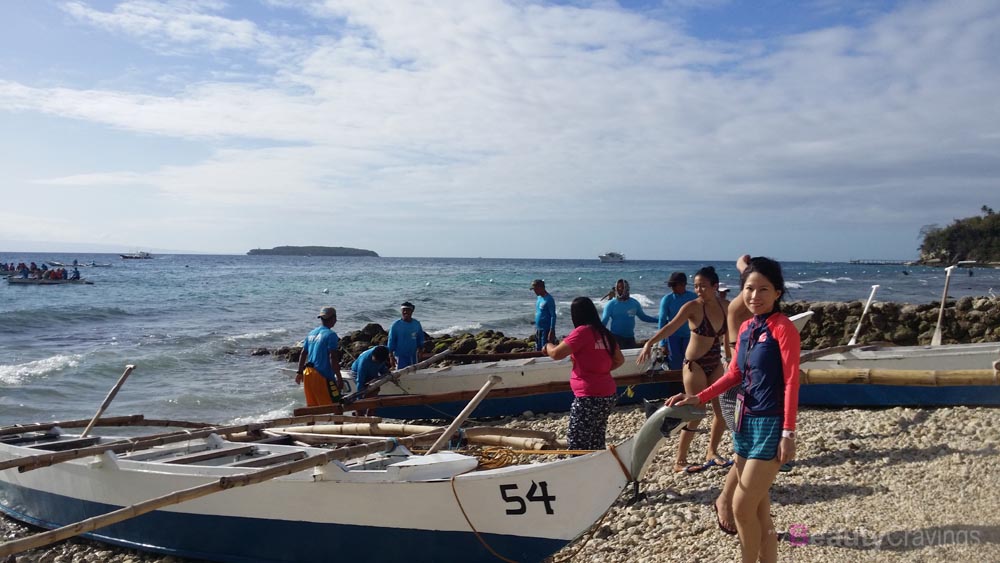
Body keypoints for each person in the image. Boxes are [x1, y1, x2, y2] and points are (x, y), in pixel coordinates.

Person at [666, 257, 800, 563]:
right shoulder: (747, 328)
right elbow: (734, 375)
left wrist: (788, 432)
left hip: (770, 424)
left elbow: (792, 380)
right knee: (759, 513)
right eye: (749, 289)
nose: (755, 296)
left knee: (740, 506)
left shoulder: (783, 328)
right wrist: (697, 398)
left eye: (763, 289)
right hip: (743, 423)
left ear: (777, 292)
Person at [637, 266, 730, 473]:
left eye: (703, 286)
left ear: (715, 286)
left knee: (720, 411)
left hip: (716, 363)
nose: (698, 290)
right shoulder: (692, 307)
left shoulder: (726, 306)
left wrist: (731, 357)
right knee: (696, 411)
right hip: (694, 364)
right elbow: (670, 326)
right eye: (696, 286)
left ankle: (712, 452)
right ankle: (680, 460)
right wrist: (650, 342)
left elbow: (729, 334)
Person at [543, 297, 624, 449]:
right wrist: (601, 370)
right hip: (607, 394)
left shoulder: (581, 332)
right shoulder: (604, 333)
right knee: (596, 438)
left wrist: (547, 345)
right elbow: (619, 360)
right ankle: (596, 467)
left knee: (577, 442)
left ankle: (579, 469)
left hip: (588, 396)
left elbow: (555, 354)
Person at [295, 307, 345, 407]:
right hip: (322, 376)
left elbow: (303, 353)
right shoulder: (331, 335)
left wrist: (300, 372)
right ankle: (338, 423)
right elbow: (333, 357)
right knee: (336, 405)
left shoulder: (311, 333)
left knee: (312, 408)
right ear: (334, 318)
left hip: (308, 374)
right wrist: (339, 378)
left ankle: (310, 423)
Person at [600, 279, 658, 349]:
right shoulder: (611, 304)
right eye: (618, 287)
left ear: (627, 288)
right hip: (616, 338)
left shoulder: (634, 303)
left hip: (630, 338)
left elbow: (643, 317)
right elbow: (604, 322)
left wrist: (659, 320)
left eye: (622, 287)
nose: (620, 289)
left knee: (631, 359)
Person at [658, 272, 697, 370]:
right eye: (671, 285)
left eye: (674, 285)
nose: (672, 288)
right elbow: (662, 321)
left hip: (690, 336)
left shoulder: (693, 298)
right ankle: (674, 384)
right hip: (673, 337)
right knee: (675, 365)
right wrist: (662, 343)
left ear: (683, 284)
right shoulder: (667, 299)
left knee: (689, 364)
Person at [351, 345, 391, 416]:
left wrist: (386, 372)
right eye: (376, 361)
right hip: (358, 373)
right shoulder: (364, 363)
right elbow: (360, 382)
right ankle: (359, 412)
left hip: (373, 373)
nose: (377, 362)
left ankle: (370, 413)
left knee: (375, 390)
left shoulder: (383, 352)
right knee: (365, 392)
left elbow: (382, 367)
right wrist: (360, 399)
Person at [387, 301, 424, 369]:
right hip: (400, 356)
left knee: (413, 374)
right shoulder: (396, 325)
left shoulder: (416, 324)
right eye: (403, 310)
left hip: (413, 355)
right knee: (400, 375)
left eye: (408, 310)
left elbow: (420, 338)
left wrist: (420, 350)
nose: (405, 312)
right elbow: (391, 341)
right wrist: (391, 356)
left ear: (412, 311)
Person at [531, 279, 557, 351]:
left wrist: (552, 330)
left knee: (545, 349)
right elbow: (540, 312)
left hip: (546, 329)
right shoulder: (539, 298)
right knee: (538, 348)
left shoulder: (549, 299)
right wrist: (535, 321)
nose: (534, 291)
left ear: (541, 288)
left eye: (536, 289)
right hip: (538, 329)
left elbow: (553, 315)